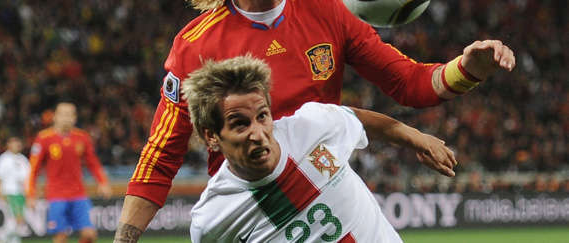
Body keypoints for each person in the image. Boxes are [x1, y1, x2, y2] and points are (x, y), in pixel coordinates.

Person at [114, 0, 515, 241]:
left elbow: (411, 83)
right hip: (251, 214)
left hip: (328, 192)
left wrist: (468, 67)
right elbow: (161, 154)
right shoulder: (196, 44)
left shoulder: (327, 14)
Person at [188, 55, 457, 242]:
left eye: (262, 116)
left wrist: (416, 137)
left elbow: (359, 120)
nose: (258, 134)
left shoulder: (312, 125)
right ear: (211, 136)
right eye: (240, 124)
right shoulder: (213, 218)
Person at [27, 101, 112, 243]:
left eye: (70, 114)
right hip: (56, 195)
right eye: (63, 114)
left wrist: (103, 182)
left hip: (78, 193)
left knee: (90, 234)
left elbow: (93, 163)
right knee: (61, 237)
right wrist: (31, 194)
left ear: (75, 118)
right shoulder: (44, 138)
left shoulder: (82, 137)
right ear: (55, 117)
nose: (66, 118)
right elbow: (33, 169)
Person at [0, 137, 30, 243]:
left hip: (21, 194)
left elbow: (27, 179)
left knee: (17, 223)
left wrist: (29, 194)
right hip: (8, 193)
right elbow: (0, 178)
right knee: (15, 220)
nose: (17, 145)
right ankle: (2, 237)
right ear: (8, 144)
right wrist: (0, 194)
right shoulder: (4, 159)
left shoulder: (23, 159)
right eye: (14, 142)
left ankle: (12, 240)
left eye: (18, 142)